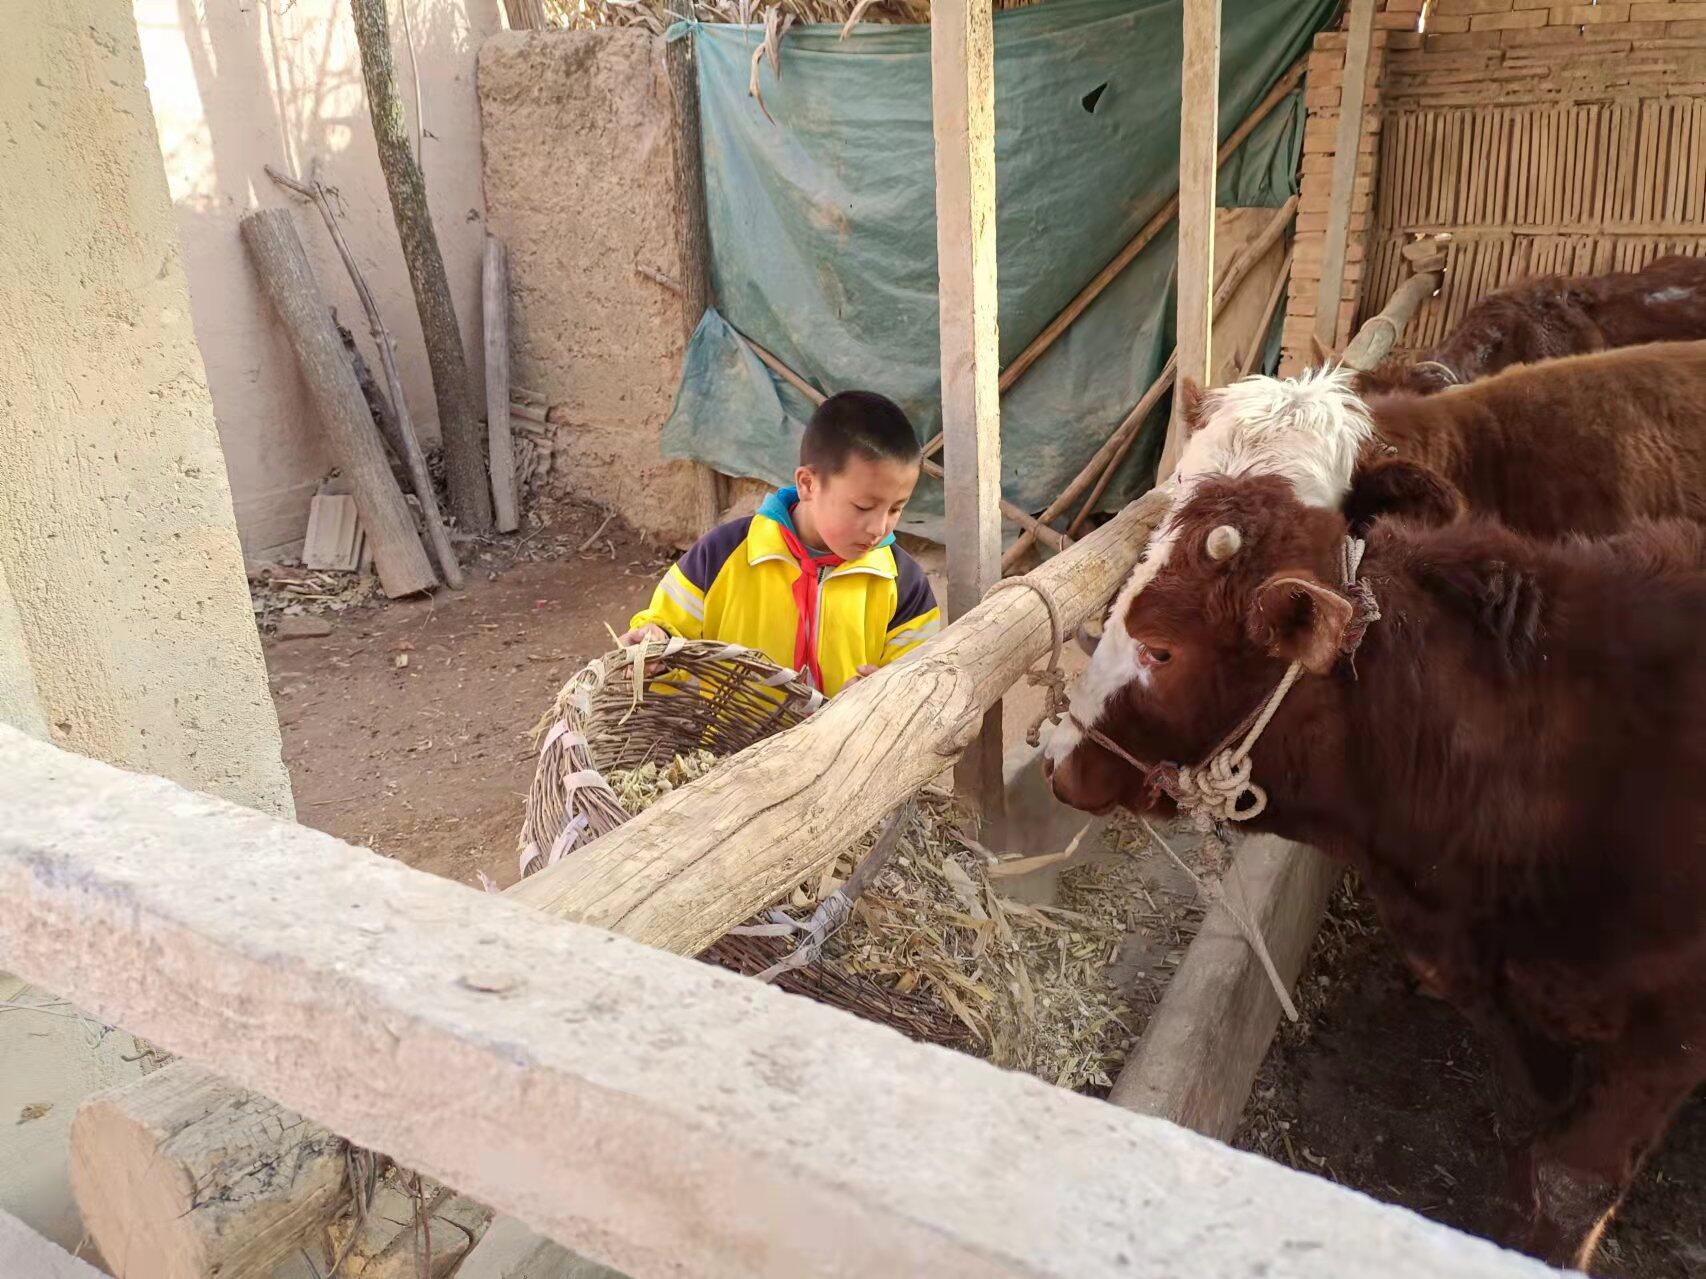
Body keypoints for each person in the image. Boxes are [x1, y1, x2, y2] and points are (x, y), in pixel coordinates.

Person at [622, 390, 940, 695]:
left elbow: (919, 677)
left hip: (847, 748)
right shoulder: (722, 554)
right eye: (863, 507)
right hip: (737, 748)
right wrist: (654, 645)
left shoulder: (904, 584)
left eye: (896, 508)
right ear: (807, 484)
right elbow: (667, 630)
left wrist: (883, 693)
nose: (879, 527)